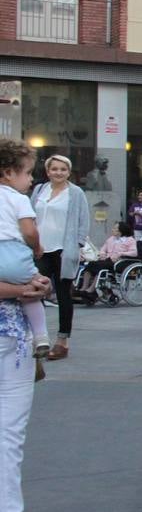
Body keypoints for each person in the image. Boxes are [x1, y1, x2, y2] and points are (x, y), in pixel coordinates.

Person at [0, 270, 58, 512]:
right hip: (13, 337)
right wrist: (25, 288)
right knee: (9, 433)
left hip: (16, 339)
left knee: (9, 434)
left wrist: (36, 283)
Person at [32, 153, 89, 361]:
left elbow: (83, 221)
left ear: (69, 172)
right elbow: (30, 216)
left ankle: (62, 341)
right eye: (54, 169)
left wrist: (77, 245)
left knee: (64, 295)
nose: (58, 172)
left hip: (63, 250)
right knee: (34, 291)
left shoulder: (76, 193)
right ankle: (38, 337)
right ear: (47, 171)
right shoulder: (39, 189)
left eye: (63, 169)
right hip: (40, 249)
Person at [0, 141, 49, 358]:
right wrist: (37, 247)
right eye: (28, 173)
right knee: (33, 289)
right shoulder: (19, 199)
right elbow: (30, 231)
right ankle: (41, 336)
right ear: (8, 173)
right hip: (14, 254)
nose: (31, 179)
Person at [75, 221, 138, 300]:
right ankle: (84, 288)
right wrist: (102, 254)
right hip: (107, 259)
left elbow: (134, 252)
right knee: (90, 264)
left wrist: (121, 253)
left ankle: (91, 289)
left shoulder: (130, 240)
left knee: (101, 268)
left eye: (115, 228)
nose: (113, 230)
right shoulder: (111, 239)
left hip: (118, 262)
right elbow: (103, 249)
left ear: (121, 231)